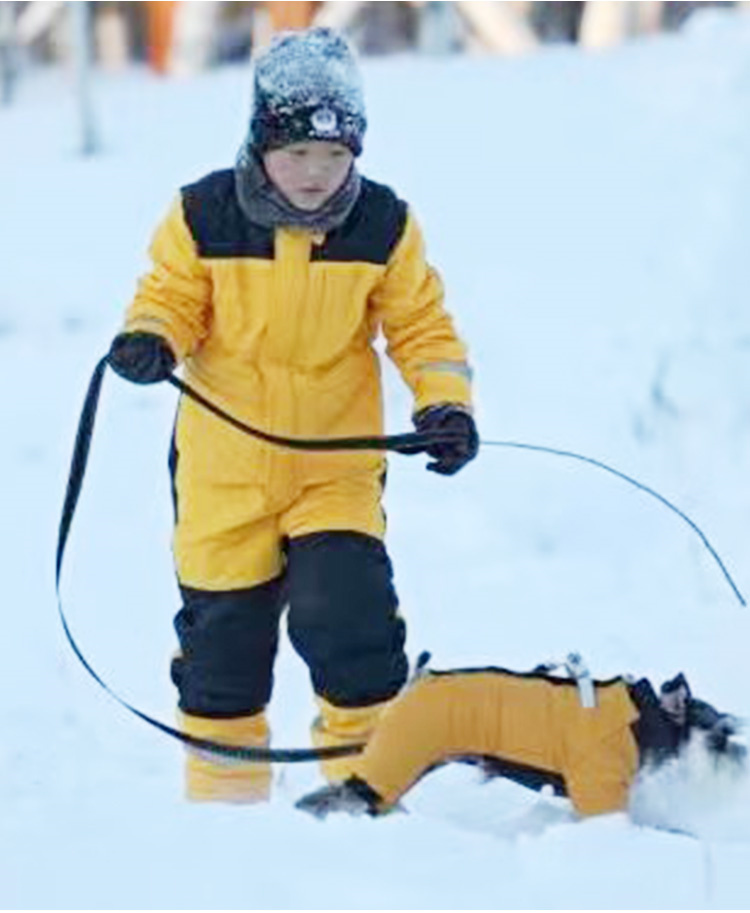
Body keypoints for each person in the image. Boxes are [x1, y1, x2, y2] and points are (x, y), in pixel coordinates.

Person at [107, 27, 477, 803]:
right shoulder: (203, 214)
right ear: (259, 140)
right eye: (297, 154)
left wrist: (444, 402)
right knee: (222, 653)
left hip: (332, 469)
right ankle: (224, 811)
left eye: (335, 156)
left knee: (349, 619)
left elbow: (421, 327)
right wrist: (152, 338)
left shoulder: (382, 225)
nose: (316, 174)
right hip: (224, 473)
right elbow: (171, 296)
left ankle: (365, 791)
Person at [295, 659, 745, 819]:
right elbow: (606, 835)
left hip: (435, 703)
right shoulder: (607, 746)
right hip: (430, 716)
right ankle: (286, 840)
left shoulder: (617, 715)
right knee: (355, 805)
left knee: (363, 807)